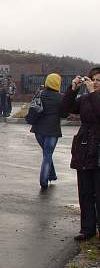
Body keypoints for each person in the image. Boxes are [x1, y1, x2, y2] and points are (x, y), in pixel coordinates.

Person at [63, 67, 100, 241]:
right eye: (93, 80)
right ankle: (87, 228)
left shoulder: (93, 96)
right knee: (85, 191)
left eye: (99, 80)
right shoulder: (85, 99)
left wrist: (93, 93)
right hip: (85, 147)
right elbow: (66, 109)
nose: (95, 83)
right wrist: (72, 90)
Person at [30, 73, 67, 190]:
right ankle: (43, 181)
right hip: (52, 131)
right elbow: (65, 114)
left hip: (38, 130)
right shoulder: (61, 97)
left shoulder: (39, 94)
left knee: (46, 154)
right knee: (48, 155)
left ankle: (52, 175)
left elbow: (33, 108)